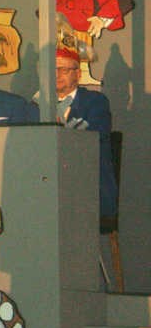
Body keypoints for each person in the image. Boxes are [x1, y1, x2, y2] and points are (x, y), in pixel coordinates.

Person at [54, 42, 118, 227]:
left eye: (64, 70)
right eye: (53, 69)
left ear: (78, 74)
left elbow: (90, 140)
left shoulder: (95, 102)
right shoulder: (37, 104)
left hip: (88, 187)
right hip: (49, 187)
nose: (57, 74)